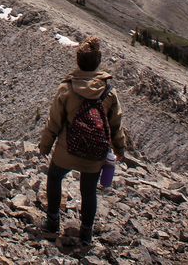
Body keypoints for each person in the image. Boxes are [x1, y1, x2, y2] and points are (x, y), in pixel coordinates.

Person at [37, 36, 127, 246]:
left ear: (78, 61)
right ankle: (86, 233)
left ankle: (52, 222)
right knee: (88, 191)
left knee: (54, 177)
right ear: (98, 62)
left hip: (66, 151)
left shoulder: (67, 89)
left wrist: (45, 146)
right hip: (94, 155)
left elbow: (54, 122)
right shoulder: (108, 91)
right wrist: (120, 147)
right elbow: (116, 124)